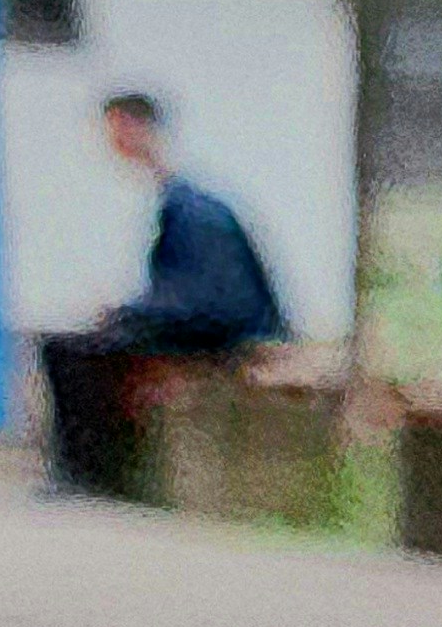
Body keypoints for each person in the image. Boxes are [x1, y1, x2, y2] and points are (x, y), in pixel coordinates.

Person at [35, 89, 292, 493]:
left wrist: (130, 313)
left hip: (222, 328)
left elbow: (201, 298)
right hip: (210, 320)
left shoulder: (191, 207)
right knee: (86, 346)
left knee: (70, 353)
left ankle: (91, 475)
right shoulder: (184, 200)